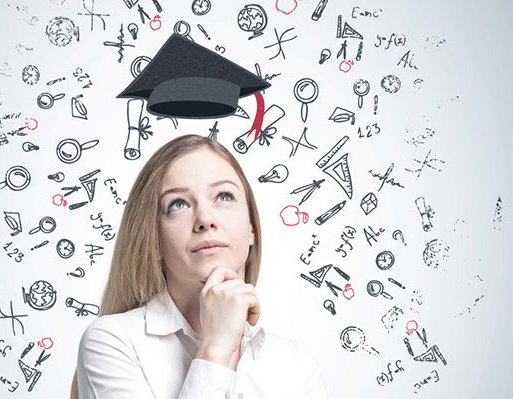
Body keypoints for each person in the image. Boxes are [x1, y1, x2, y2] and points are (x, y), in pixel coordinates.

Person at [73, 135, 328, 398]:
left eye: (224, 196)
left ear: (251, 228)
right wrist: (216, 347)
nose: (205, 219)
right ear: (154, 240)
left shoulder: (297, 365)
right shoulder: (112, 342)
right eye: (178, 204)